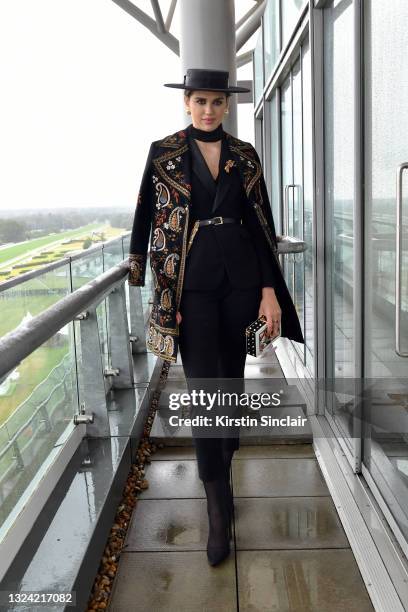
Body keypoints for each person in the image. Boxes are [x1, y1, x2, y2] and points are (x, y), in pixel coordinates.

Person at [128, 68, 304, 567]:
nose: (208, 110)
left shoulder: (244, 155)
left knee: (231, 384)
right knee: (205, 391)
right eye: (200, 100)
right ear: (187, 102)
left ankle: (223, 473)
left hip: (242, 284)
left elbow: (262, 223)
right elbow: (145, 214)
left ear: (227, 106)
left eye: (217, 102)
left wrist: (268, 293)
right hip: (190, 290)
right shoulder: (163, 152)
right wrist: (148, 280)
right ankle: (217, 506)